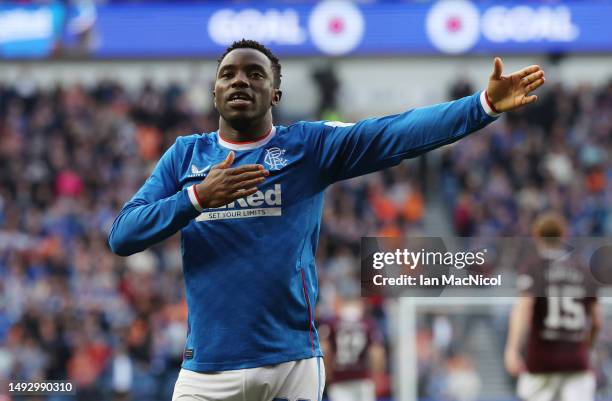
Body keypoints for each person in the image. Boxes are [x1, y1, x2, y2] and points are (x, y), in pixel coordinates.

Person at [108, 39, 545, 401]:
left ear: (276, 93)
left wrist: (482, 105)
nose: (240, 79)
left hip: (291, 365)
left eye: (255, 74)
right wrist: (198, 197)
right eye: (228, 74)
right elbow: (123, 235)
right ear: (215, 91)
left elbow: (397, 132)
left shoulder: (308, 147)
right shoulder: (186, 155)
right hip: (206, 371)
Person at [504, 212, 602, 401]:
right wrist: (586, 346)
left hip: (542, 359)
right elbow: (597, 319)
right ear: (564, 235)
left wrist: (512, 349)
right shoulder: (582, 270)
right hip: (575, 360)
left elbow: (524, 308)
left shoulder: (534, 267)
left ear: (536, 235)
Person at [319, 296, 385, 401]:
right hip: (363, 378)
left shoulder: (331, 323)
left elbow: (324, 349)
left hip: (339, 379)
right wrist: (376, 375)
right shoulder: (368, 323)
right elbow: (376, 353)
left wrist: (327, 374)